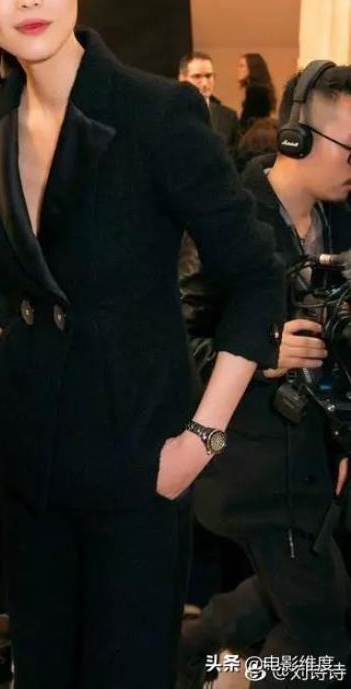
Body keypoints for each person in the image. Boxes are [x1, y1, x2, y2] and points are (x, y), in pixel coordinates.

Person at [0, 0, 285, 689]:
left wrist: (199, 441)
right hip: (25, 452)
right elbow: (9, 260)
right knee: (41, 670)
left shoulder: (158, 113)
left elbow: (255, 280)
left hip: (138, 452)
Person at [179, 62, 351, 687]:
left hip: (314, 461)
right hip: (252, 466)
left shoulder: (338, 218)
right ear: (296, 139)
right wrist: (262, 351)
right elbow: (175, 343)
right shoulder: (228, 220)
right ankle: (228, 668)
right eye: (348, 146)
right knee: (324, 646)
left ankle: (191, 654)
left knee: (304, 599)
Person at [179, 51, 240, 156]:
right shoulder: (171, 114)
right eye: (197, 76)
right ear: (182, 78)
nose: (204, 83)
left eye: (208, 76)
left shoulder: (228, 116)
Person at [238, 52, 276, 133]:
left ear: (252, 68)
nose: (238, 69)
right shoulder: (262, 89)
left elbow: (247, 121)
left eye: (242, 66)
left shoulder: (255, 91)